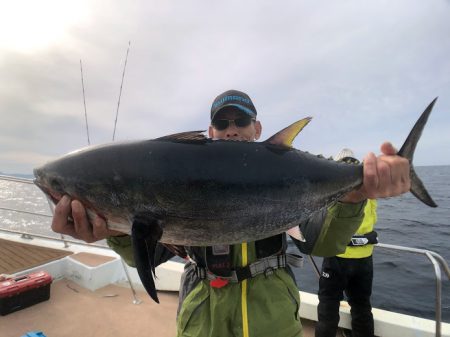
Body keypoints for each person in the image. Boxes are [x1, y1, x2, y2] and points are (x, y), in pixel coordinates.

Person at [51, 90, 411, 337]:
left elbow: (323, 243)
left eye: (241, 120)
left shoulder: (285, 174)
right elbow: (148, 254)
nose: (232, 128)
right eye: (222, 123)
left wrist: (354, 194)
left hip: (271, 315)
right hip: (201, 316)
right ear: (210, 132)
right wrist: (112, 231)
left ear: (258, 129)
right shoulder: (183, 177)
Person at [315, 149, 378, 337]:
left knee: (328, 306)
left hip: (337, 256)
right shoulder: (370, 189)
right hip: (364, 259)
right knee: (362, 307)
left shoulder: (334, 186)